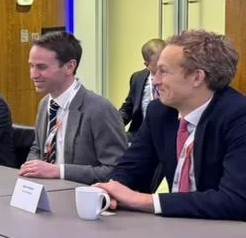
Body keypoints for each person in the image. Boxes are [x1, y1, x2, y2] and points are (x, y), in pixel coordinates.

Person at [96, 30, 246, 220]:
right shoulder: (159, 112)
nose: (155, 80)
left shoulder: (239, 117)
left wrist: (145, 201)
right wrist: (111, 190)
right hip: (173, 228)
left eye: (164, 71)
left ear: (197, 77)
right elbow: (131, 167)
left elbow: (236, 201)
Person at [19, 32, 128, 184]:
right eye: (31, 66)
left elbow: (117, 170)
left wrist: (59, 171)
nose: (33, 75)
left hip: (82, 194)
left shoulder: (99, 109)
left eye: (42, 67)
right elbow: (37, 149)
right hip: (47, 189)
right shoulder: (45, 104)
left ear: (70, 67)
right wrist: (31, 168)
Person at [119, 38, 166, 136]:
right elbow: (128, 108)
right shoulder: (137, 78)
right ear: (147, 65)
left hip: (166, 134)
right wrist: (111, 125)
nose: (164, 66)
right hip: (140, 134)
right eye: (159, 64)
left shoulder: (174, 78)